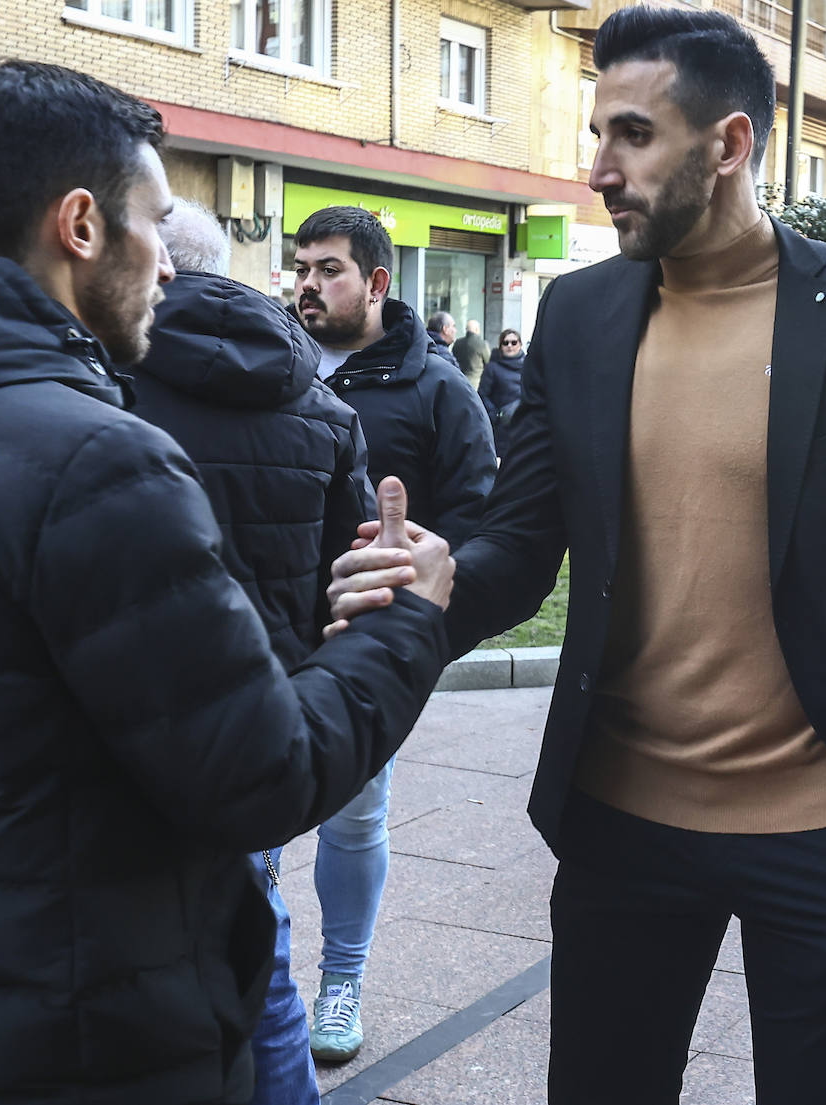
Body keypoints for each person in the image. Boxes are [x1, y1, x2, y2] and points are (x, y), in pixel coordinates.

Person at [0, 60, 453, 1105]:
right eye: (154, 224)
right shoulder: (95, 461)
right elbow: (262, 776)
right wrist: (404, 623)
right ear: (82, 225)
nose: (168, 264)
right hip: (77, 1037)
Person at [329, 6, 826, 1104]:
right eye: (599, 135)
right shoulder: (582, 313)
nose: (600, 168)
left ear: (729, 144)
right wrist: (442, 582)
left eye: (632, 136)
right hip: (623, 825)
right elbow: (523, 536)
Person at [131, 199, 372, 1105]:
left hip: (127, 712)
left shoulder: (102, 383)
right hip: (262, 716)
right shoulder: (315, 403)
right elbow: (337, 578)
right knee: (256, 944)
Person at [292, 205, 495, 1062]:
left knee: (350, 818)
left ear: (376, 282)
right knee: (237, 823)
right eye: (300, 267)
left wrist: (417, 616)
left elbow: (482, 525)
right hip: (260, 633)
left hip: (361, 645)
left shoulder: (436, 387)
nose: (307, 283)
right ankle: (253, 972)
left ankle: (341, 982)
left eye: (328, 269)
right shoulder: (270, 365)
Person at [478, 327, 526, 457]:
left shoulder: (529, 366)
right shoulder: (492, 368)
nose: (510, 346)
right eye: (505, 343)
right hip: (502, 428)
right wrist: (495, 415)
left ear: (520, 344)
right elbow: (482, 394)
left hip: (524, 424)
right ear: (500, 346)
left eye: (514, 342)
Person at [452, 317, 491, 388]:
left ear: (466, 329)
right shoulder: (482, 344)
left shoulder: (458, 343)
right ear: (477, 329)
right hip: (476, 383)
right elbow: (488, 363)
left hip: (458, 381)